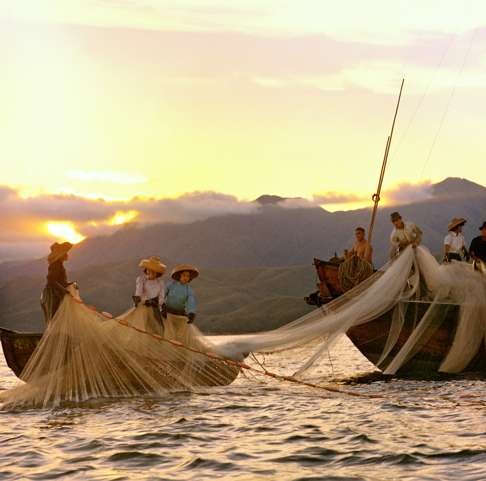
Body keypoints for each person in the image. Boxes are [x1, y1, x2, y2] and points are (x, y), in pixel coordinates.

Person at [162, 264, 199, 343]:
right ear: (179, 276)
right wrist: (162, 305)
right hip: (167, 313)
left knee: (180, 336)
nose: (186, 278)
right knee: (168, 334)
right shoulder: (170, 285)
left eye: (188, 276)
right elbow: (162, 295)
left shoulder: (189, 290)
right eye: (184, 275)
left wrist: (191, 313)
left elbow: (191, 302)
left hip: (179, 314)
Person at [41, 242, 73, 323]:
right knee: (55, 317)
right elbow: (51, 280)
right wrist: (64, 290)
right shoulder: (56, 265)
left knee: (58, 317)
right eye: (65, 253)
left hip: (57, 292)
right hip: (53, 294)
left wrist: (69, 284)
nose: (67, 255)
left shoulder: (59, 264)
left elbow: (59, 280)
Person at [132, 256, 167, 333]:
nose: (152, 272)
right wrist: (140, 300)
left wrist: (159, 303)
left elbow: (161, 296)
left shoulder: (160, 283)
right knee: (141, 328)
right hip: (143, 306)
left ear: (158, 272)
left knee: (157, 329)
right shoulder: (141, 279)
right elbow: (138, 292)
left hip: (154, 308)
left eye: (154, 270)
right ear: (146, 270)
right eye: (150, 269)